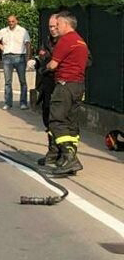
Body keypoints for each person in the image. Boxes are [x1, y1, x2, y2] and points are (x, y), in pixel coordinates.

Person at [44, 11, 89, 177]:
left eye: (59, 24)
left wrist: (44, 67)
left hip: (64, 85)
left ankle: (69, 157)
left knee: (56, 121)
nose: (57, 27)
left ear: (66, 24)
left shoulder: (66, 40)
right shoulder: (80, 41)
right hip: (78, 86)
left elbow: (54, 64)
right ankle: (67, 157)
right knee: (70, 122)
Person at [33, 14, 60, 166]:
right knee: (47, 119)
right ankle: (52, 151)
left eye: (56, 26)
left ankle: (62, 154)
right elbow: (42, 56)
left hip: (60, 86)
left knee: (59, 121)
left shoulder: (66, 42)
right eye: (50, 26)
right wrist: (36, 61)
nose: (53, 29)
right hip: (47, 86)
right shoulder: (47, 41)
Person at [0, 14, 31, 110]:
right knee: (8, 82)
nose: (11, 23)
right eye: (9, 21)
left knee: (22, 81)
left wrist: (28, 58)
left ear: (16, 21)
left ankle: (23, 103)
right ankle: (8, 103)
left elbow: (28, 44)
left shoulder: (22, 31)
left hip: (19, 57)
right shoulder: (4, 31)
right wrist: (1, 47)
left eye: (13, 21)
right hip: (7, 57)